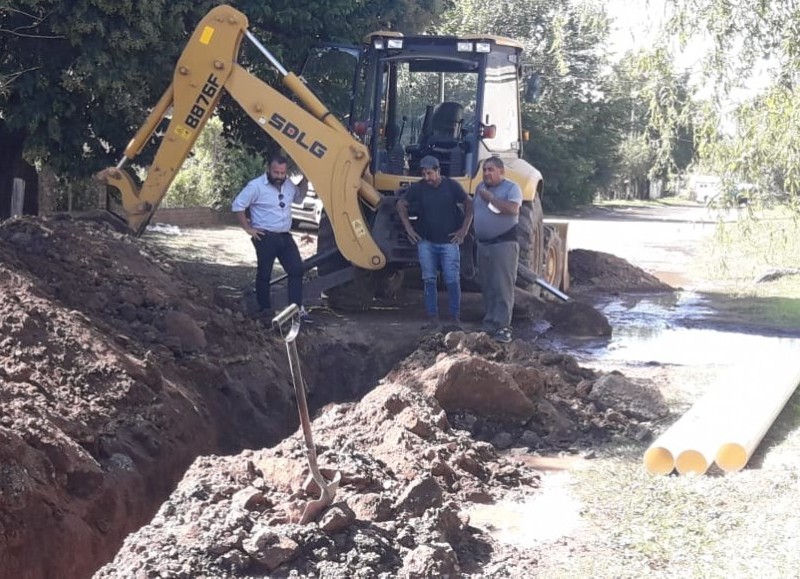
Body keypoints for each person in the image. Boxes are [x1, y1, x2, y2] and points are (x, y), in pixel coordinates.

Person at [396, 155, 473, 329]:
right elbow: (401, 204)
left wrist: (464, 229)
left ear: (438, 171)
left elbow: (469, 202)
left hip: (449, 242)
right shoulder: (419, 188)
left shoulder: (452, 186)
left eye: (429, 173)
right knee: (429, 280)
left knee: (452, 280)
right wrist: (409, 229)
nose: (426, 177)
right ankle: (432, 318)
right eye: (423, 173)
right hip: (426, 242)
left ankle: (454, 319)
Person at [232, 155, 307, 318]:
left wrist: (306, 179)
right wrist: (248, 229)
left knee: (296, 270)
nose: (279, 176)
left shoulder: (287, 184)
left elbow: (299, 198)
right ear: (268, 169)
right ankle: (264, 309)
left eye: (282, 173)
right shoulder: (256, 186)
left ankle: (296, 309)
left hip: (285, 236)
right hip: (265, 236)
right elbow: (238, 205)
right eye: (276, 172)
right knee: (265, 273)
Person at [472, 157, 522, 343]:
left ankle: (503, 328)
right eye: (485, 170)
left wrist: (491, 198)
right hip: (483, 244)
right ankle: (490, 323)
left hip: (503, 244)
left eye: (490, 170)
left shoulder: (511, 188)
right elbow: (473, 210)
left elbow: (513, 209)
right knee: (488, 285)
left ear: (501, 172)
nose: (486, 173)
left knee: (502, 286)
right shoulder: (479, 188)